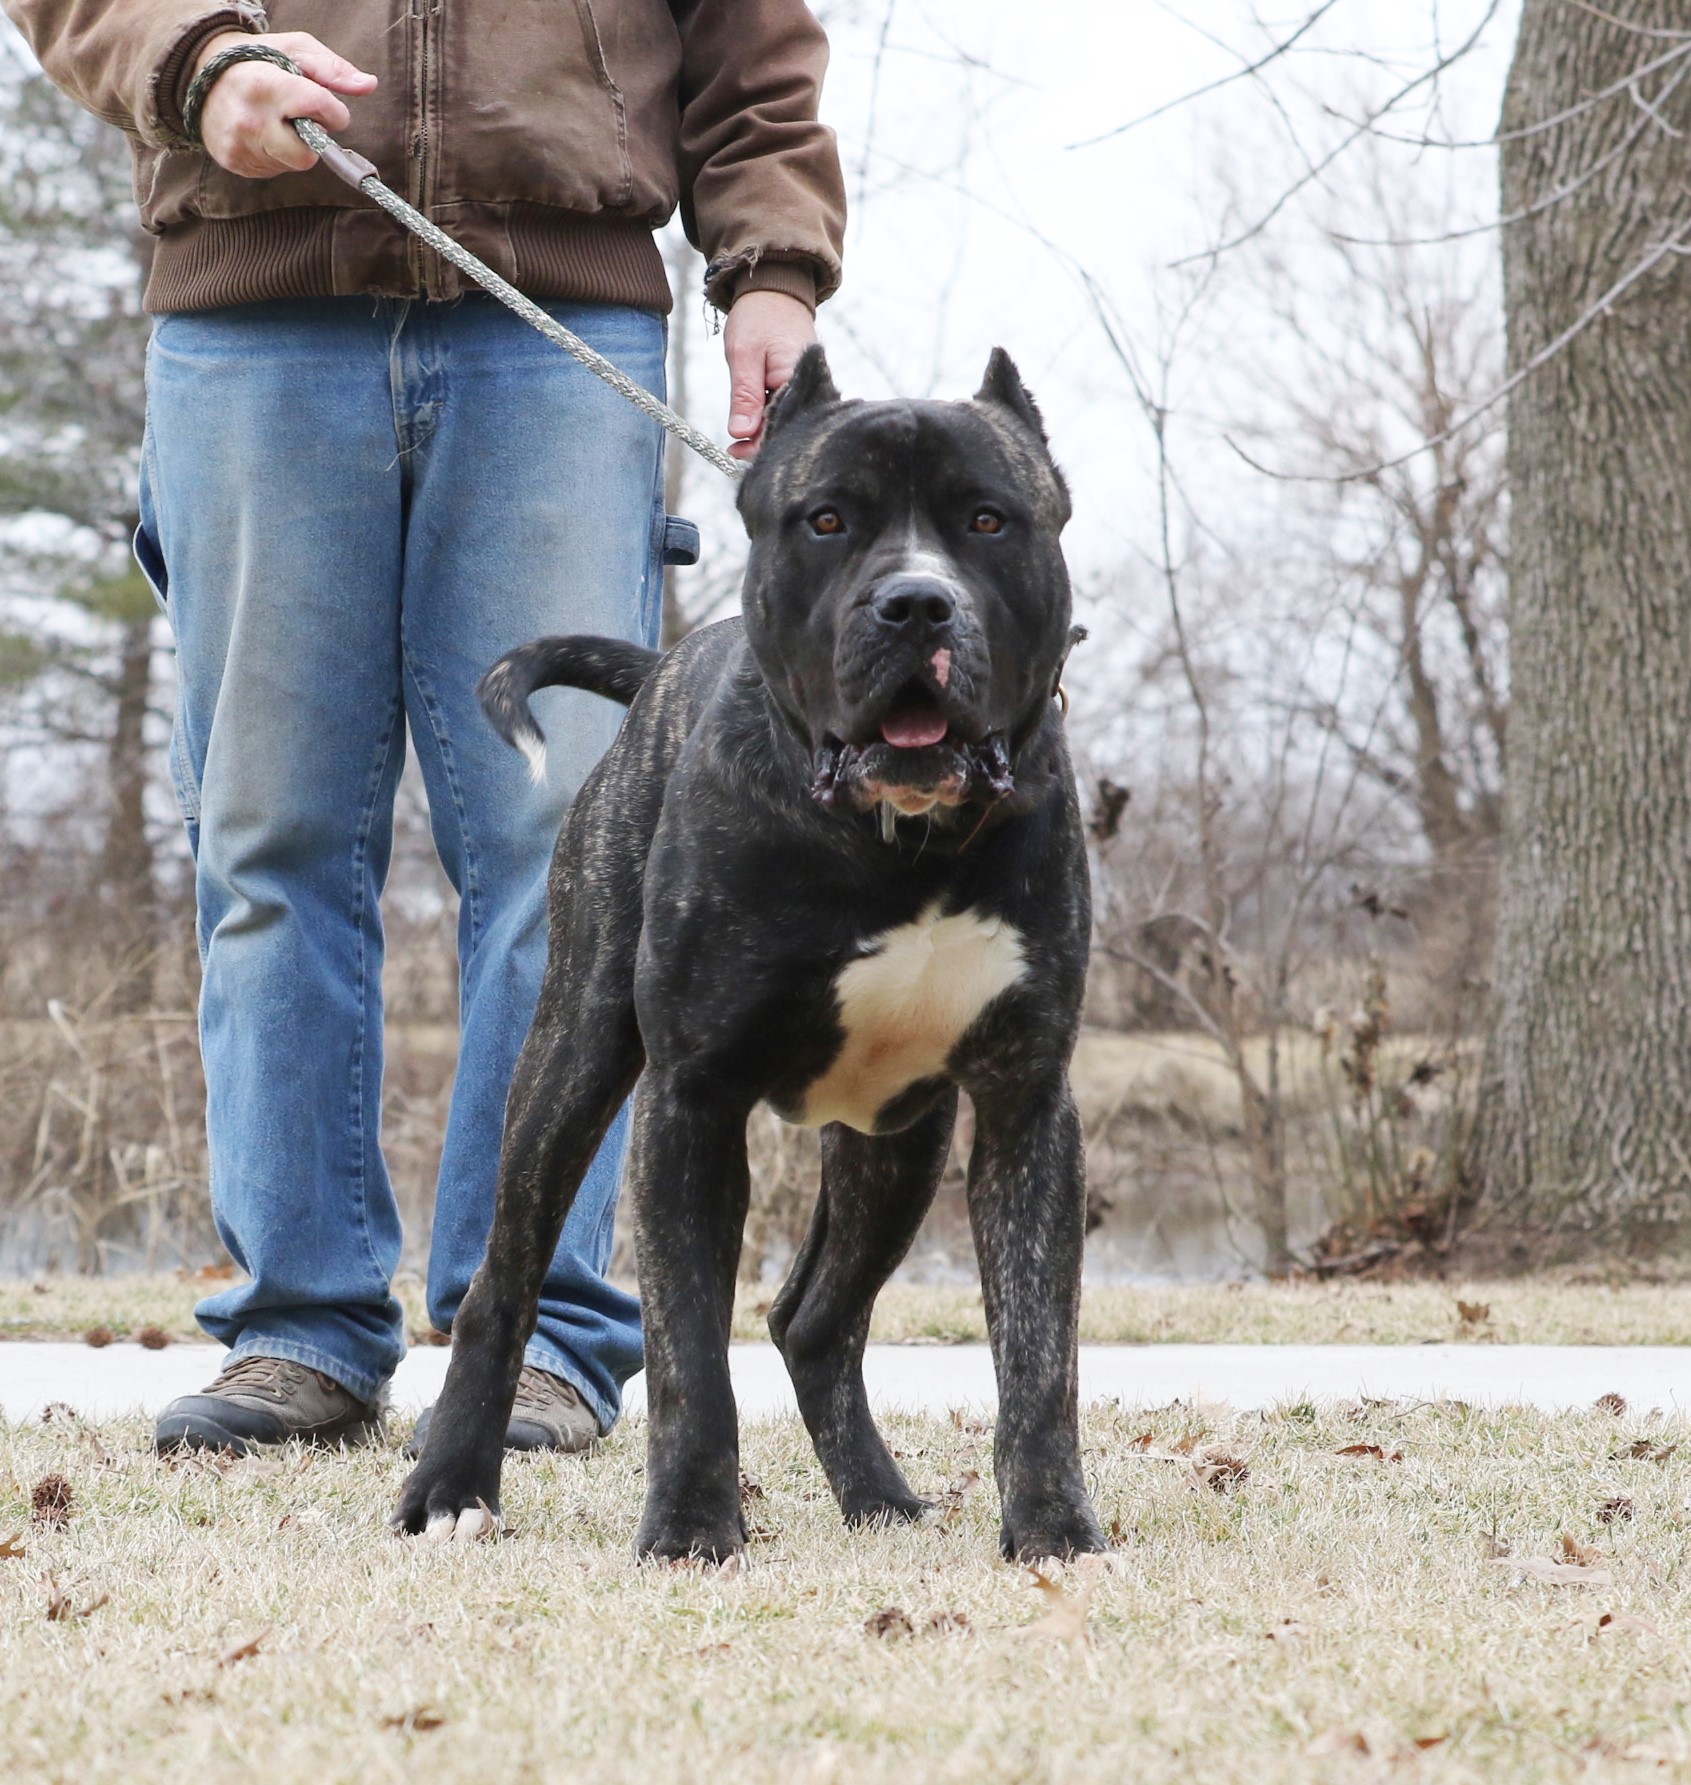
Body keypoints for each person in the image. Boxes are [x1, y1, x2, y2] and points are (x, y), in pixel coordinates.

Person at [2, 0, 846, 1452]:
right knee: (269, 838)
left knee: (568, 849)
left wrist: (772, 259)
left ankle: (537, 1332)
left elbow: (752, 30)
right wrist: (195, 63)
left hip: (559, 321)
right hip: (249, 316)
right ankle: (299, 1332)